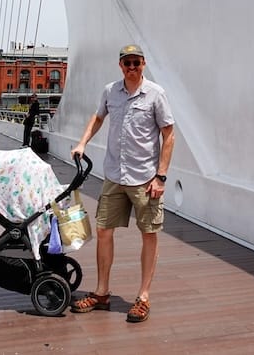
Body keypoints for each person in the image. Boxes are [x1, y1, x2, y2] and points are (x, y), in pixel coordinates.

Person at [70, 44, 175, 324]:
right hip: (114, 175)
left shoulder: (156, 94)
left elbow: (169, 134)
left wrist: (161, 176)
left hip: (145, 178)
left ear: (144, 64)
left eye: (136, 63)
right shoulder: (110, 91)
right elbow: (97, 118)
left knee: (149, 234)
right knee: (104, 230)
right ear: (120, 65)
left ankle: (142, 297)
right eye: (127, 63)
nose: (131, 67)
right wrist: (82, 143)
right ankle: (102, 292)